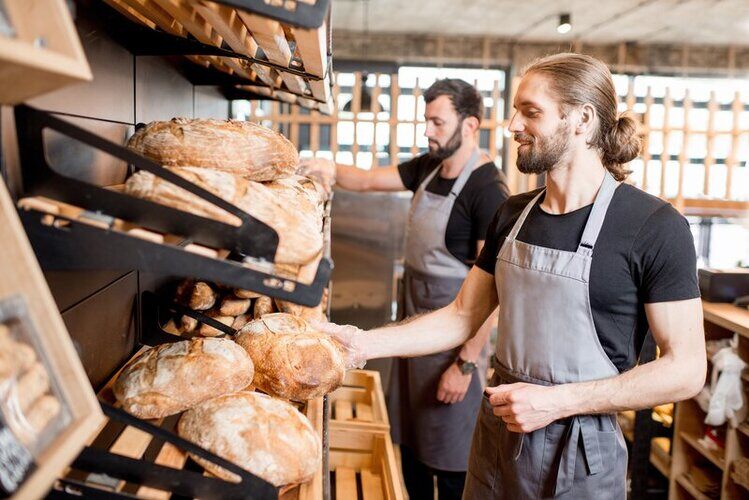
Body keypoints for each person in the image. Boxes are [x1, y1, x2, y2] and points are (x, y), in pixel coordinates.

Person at [314, 53, 706, 499]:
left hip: (579, 454)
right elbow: (462, 316)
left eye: (531, 112)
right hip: (497, 440)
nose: (512, 125)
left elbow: (687, 370)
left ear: (582, 118)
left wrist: (558, 402)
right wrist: (360, 343)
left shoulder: (653, 226)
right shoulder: (512, 215)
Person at [301, 79, 510, 499]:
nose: (428, 131)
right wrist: (326, 169)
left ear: (470, 125)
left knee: (449, 461)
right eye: (426, 121)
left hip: (453, 344)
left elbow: (494, 295)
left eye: (437, 122)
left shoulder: (488, 190)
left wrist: (465, 365)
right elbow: (366, 181)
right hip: (415, 329)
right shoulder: (429, 166)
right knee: (411, 449)